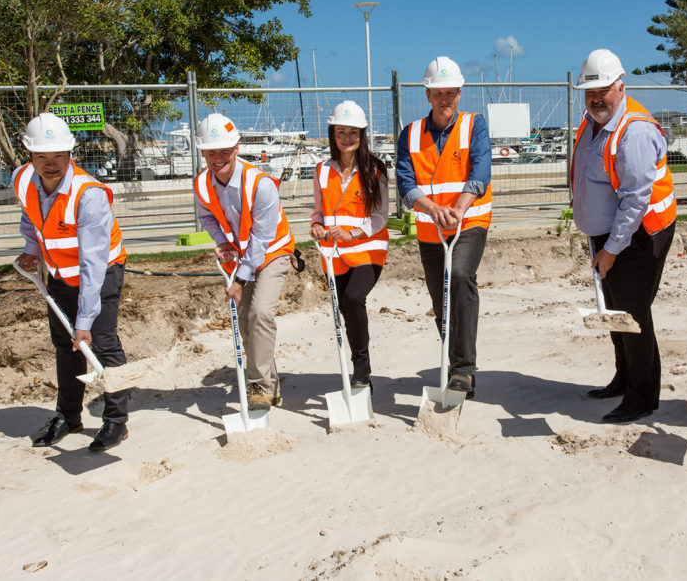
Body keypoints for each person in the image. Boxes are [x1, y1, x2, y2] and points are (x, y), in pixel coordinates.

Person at [570, 49, 677, 424]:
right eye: (589, 91)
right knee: (614, 310)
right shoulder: (591, 122)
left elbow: (635, 200)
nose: (596, 97)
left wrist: (612, 249)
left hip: (639, 235)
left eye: (603, 90)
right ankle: (625, 378)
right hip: (607, 235)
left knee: (632, 314)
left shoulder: (634, 131)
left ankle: (642, 398)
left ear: (620, 86)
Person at [14, 113, 130, 451]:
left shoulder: (88, 195)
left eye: (59, 157)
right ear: (29, 156)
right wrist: (32, 249)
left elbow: (93, 264)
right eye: (42, 158)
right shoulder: (22, 180)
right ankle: (69, 416)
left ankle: (116, 422)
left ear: (70, 153)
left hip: (101, 269)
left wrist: (84, 322)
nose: (51, 165)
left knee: (102, 340)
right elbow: (30, 217)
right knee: (65, 344)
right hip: (61, 271)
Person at [396, 56, 492, 398]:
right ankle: (454, 367)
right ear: (428, 94)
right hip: (430, 227)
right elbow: (406, 183)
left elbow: (480, 171)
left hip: (469, 221)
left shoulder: (474, 125)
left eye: (451, 92)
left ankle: (464, 370)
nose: (445, 99)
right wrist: (434, 210)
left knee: (461, 276)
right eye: (438, 93)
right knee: (441, 299)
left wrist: (458, 208)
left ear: (460, 93)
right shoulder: (410, 135)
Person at [193, 113, 296, 412]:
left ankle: (260, 389)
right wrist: (222, 241)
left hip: (273, 251)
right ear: (202, 152)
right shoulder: (202, 184)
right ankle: (270, 385)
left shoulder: (260, 184)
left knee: (260, 313)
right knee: (247, 327)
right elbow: (206, 217)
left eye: (224, 150)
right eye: (211, 151)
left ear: (236, 148)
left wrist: (239, 281)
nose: (218, 157)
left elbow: (261, 240)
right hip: (242, 255)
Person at [309, 101, 390, 389]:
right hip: (333, 252)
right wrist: (316, 226)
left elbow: (381, 217)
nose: (346, 138)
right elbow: (319, 211)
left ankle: (362, 367)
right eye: (341, 131)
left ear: (362, 135)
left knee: (354, 298)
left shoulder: (375, 170)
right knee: (345, 306)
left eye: (353, 132)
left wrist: (354, 233)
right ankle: (360, 367)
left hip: (368, 249)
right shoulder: (321, 171)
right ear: (333, 134)